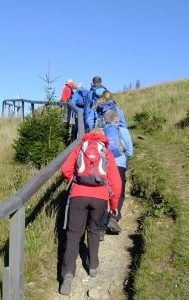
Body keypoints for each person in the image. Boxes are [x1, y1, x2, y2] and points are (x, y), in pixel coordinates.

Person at [59, 130, 122, 295]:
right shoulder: (106, 152)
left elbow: (65, 169)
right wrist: (114, 205)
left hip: (78, 194)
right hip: (100, 196)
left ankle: (68, 274)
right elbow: (116, 181)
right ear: (103, 139)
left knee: (73, 235)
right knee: (94, 231)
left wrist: (73, 181)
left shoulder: (80, 148)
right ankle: (93, 266)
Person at [99, 110, 133, 241]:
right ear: (117, 121)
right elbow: (130, 151)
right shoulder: (123, 131)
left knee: (103, 193)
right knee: (119, 192)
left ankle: (100, 227)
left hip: (104, 165)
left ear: (105, 120)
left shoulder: (101, 131)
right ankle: (113, 217)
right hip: (119, 165)